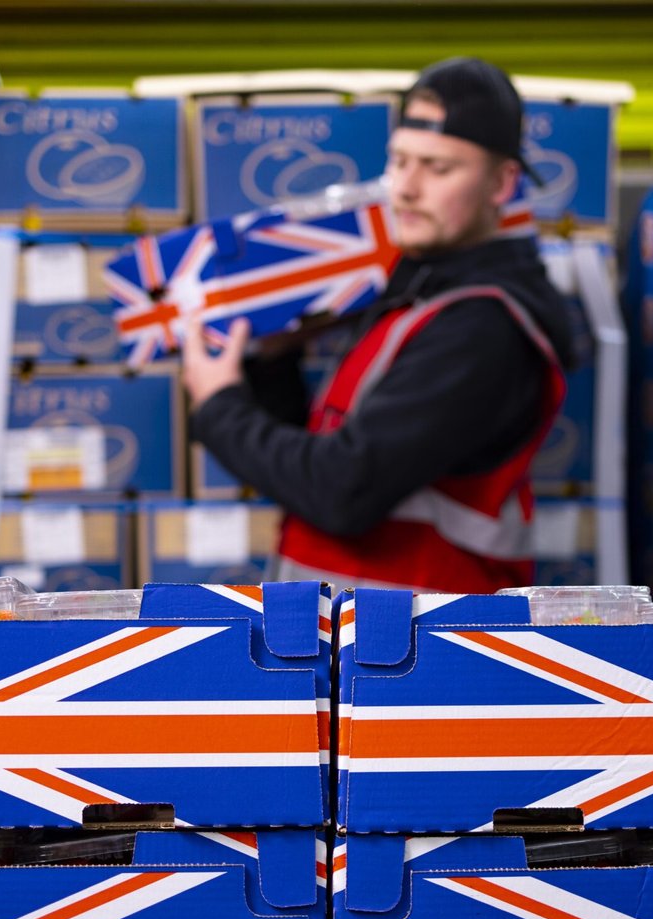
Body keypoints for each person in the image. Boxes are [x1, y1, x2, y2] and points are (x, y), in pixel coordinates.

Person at [182, 57, 573, 593]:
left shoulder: (483, 326)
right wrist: (276, 362)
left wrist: (218, 405)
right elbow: (317, 457)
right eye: (399, 162)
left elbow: (341, 492)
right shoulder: (416, 296)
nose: (406, 189)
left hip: (421, 653)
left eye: (438, 168)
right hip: (358, 646)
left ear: (502, 184)